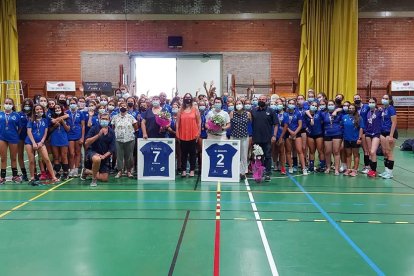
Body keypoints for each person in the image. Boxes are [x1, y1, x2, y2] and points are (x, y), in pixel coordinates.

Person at [25, 104, 59, 185]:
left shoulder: (45, 120)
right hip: (30, 142)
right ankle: (32, 177)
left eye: (40, 109)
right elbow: (29, 132)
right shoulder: (31, 120)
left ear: (43, 111)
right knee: (32, 161)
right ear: (34, 111)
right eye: (37, 109)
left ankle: (53, 177)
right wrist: (33, 143)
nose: (39, 111)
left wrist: (41, 142)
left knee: (47, 159)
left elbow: (45, 132)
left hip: (41, 142)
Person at [81, 113, 116, 186]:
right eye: (103, 119)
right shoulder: (94, 128)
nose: (104, 120)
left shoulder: (112, 132)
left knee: (104, 179)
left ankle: (86, 171)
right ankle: (94, 180)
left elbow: (112, 148)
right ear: (100, 119)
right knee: (97, 159)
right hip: (92, 152)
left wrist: (104, 156)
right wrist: (98, 135)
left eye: (106, 119)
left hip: (104, 156)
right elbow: (86, 142)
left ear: (109, 120)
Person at [251, 95, 278, 181]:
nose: (261, 100)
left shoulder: (271, 111)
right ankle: (258, 173)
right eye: (260, 99)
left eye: (263, 99)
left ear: (266, 101)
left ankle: (267, 173)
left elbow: (276, 124)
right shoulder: (253, 111)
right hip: (256, 139)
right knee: (258, 157)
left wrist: (274, 135)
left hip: (267, 139)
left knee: (267, 156)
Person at [176, 93, 201, 177]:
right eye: (186, 97)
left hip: (193, 134)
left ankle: (192, 170)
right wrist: (177, 132)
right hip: (182, 134)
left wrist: (198, 132)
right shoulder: (180, 110)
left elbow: (199, 122)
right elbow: (177, 123)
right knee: (183, 153)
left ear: (191, 99)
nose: (188, 99)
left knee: (193, 153)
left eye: (189, 97)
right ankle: (183, 170)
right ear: (184, 99)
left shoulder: (195, 109)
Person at [111, 102, 138, 178]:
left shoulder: (131, 117)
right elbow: (113, 126)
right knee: (119, 155)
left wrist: (131, 132)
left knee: (129, 155)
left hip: (130, 139)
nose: (123, 107)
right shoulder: (115, 117)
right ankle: (120, 171)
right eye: (121, 106)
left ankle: (128, 171)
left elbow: (135, 126)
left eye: (124, 106)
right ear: (119, 107)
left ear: (127, 107)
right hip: (118, 139)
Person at [0, 98, 22, 184]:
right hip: (2, 138)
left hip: (13, 138)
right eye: (6, 103)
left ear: (12, 105)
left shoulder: (16, 115)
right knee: (3, 158)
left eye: (9, 103)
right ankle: (2, 177)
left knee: (13, 158)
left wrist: (16, 134)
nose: (8, 105)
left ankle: (15, 176)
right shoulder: (0, 114)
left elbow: (20, 127)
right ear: (3, 104)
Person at [230, 99, 251, 180]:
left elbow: (250, 123)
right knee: (234, 155)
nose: (238, 105)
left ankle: (242, 172)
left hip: (244, 137)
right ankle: (234, 170)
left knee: (244, 155)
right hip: (234, 136)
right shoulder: (232, 113)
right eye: (237, 103)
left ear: (243, 105)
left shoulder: (248, 114)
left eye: (240, 103)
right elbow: (229, 124)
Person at [322, 100, 343, 175]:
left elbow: (344, 108)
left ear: (335, 105)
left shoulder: (339, 113)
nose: (330, 106)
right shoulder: (324, 114)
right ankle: (328, 167)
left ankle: (336, 169)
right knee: (327, 152)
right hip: (327, 133)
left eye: (332, 104)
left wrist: (337, 110)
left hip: (337, 133)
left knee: (336, 151)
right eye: (329, 104)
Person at [49, 104, 71, 180]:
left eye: (59, 108)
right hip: (54, 138)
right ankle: (57, 172)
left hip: (63, 138)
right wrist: (55, 125)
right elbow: (49, 130)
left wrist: (62, 122)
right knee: (56, 157)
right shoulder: (51, 118)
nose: (57, 109)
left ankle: (65, 172)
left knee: (64, 156)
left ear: (61, 109)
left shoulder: (66, 117)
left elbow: (68, 129)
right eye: (56, 108)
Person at [342, 104, 364, 177]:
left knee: (356, 155)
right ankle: (348, 169)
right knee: (348, 155)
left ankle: (355, 170)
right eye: (350, 108)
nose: (351, 109)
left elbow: (361, 128)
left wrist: (359, 138)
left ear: (355, 109)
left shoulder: (359, 118)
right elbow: (342, 127)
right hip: (346, 139)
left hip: (355, 139)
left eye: (352, 108)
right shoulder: (344, 117)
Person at [379, 94, 397, 179]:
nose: (384, 100)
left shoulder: (391, 109)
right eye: (383, 98)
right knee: (385, 153)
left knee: (389, 152)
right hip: (383, 132)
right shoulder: (383, 109)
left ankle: (390, 173)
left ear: (390, 100)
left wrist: (391, 135)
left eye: (386, 98)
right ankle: (386, 171)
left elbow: (394, 122)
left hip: (390, 133)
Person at [66, 98, 85, 177]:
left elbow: (83, 126)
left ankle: (76, 170)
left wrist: (82, 137)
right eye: (71, 103)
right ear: (69, 104)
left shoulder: (80, 113)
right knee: (71, 153)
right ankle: (71, 169)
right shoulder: (66, 113)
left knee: (77, 153)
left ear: (77, 104)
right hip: (69, 135)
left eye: (74, 103)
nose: (72, 104)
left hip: (78, 135)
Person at [364, 98, 382, 178]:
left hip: (376, 134)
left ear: (376, 103)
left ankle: (374, 171)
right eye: (370, 102)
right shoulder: (368, 112)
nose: (371, 103)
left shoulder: (379, 111)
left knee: (372, 151)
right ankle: (371, 169)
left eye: (373, 102)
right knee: (370, 152)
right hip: (368, 134)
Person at [18, 98, 34, 181]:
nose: (27, 106)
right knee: (20, 155)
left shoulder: (33, 114)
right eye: (25, 105)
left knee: (31, 156)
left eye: (29, 105)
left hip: (30, 137)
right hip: (21, 137)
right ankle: (24, 173)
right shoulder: (19, 114)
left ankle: (33, 172)